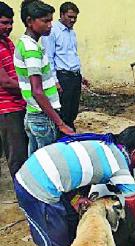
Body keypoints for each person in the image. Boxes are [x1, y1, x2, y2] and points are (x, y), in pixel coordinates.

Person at [14, 0, 74, 156]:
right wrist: (60, 124)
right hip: (42, 117)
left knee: (34, 161)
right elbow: (37, 91)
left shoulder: (24, 44)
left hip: (33, 113)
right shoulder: (31, 49)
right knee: (48, 164)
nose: (50, 25)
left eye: (51, 20)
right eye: (45, 21)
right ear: (29, 21)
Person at [42, 2, 88, 131]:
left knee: (73, 109)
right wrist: (55, 81)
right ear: (61, 15)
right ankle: (63, 136)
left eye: (75, 17)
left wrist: (80, 75)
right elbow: (48, 58)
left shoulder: (71, 32)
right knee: (64, 111)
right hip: (63, 77)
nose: (73, 20)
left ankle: (69, 131)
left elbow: (73, 54)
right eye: (70, 16)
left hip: (74, 76)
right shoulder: (52, 31)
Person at [0, 2, 28, 177]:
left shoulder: (8, 42)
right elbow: (6, 82)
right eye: (4, 23)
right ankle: (23, 197)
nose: (9, 27)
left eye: (10, 23)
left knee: (24, 153)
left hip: (19, 104)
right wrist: (33, 91)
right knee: (17, 156)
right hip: (7, 109)